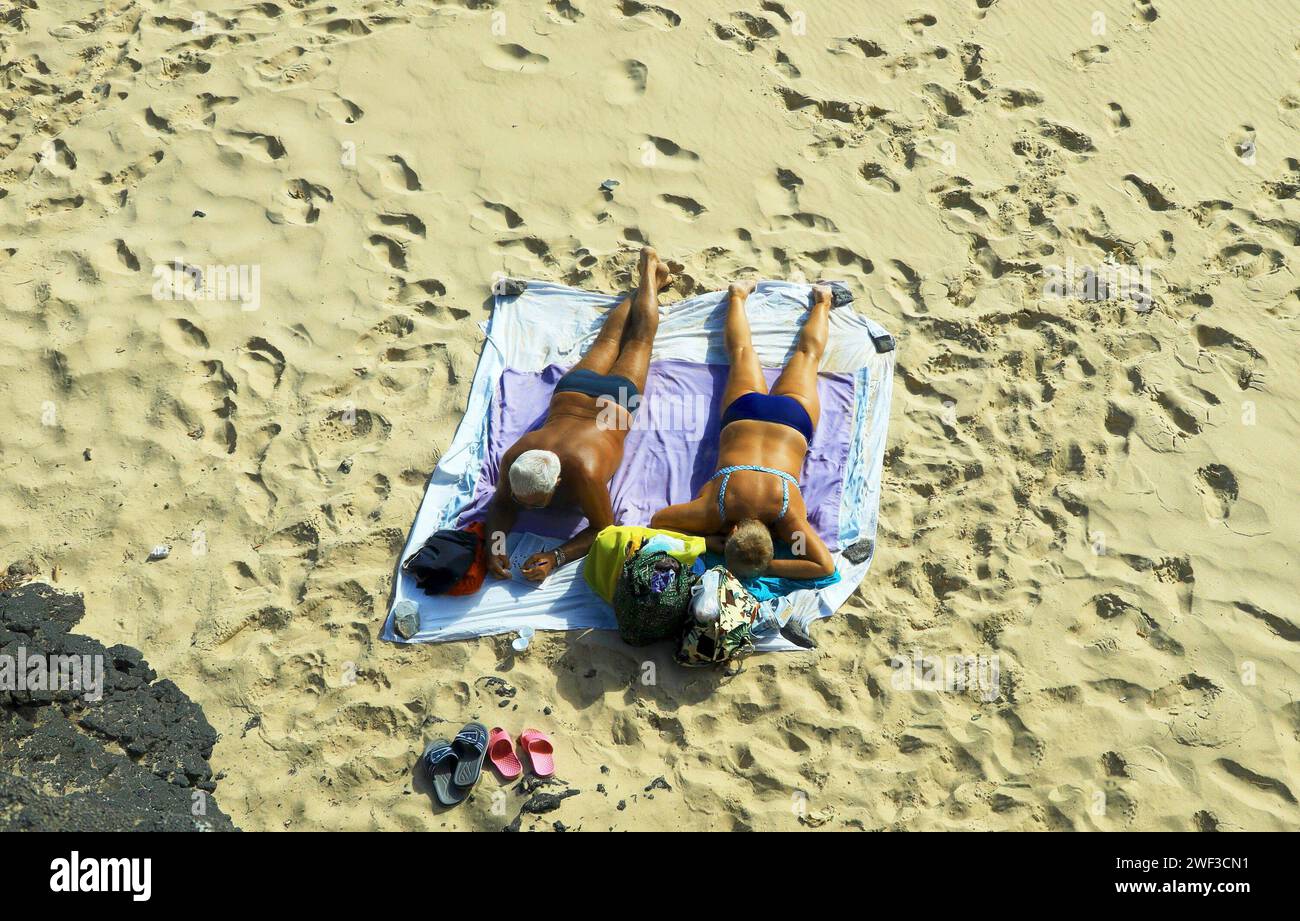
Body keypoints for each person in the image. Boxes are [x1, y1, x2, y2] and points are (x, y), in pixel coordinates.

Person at [486, 247, 674, 582]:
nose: (525, 507)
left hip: (613, 404)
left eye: (536, 503)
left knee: (638, 342)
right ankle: (648, 283)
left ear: (559, 481)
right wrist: (495, 544)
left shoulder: (584, 473)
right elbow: (502, 505)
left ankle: (648, 276)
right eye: (524, 501)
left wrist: (555, 557)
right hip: (572, 393)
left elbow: (604, 528)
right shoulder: (514, 460)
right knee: (612, 337)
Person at [650, 281, 837, 581]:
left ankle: (822, 301)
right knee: (741, 352)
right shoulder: (714, 512)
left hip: (792, 421)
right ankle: (737, 295)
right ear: (733, 530)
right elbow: (659, 521)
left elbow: (823, 566)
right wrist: (709, 542)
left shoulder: (788, 522)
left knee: (806, 356)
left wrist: (766, 562)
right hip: (744, 414)